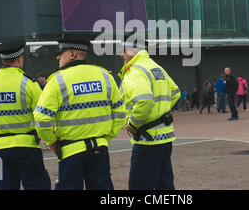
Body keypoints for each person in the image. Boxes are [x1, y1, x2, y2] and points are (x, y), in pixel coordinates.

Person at [34, 38, 125, 190]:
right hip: (99, 148)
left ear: (72, 54)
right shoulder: (105, 76)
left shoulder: (57, 80)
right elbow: (120, 113)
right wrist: (105, 137)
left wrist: (52, 143)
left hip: (71, 151)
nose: (57, 57)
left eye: (60, 53)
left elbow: (41, 117)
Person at [0, 39, 51, 190]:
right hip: (28, 146)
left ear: (2, 59)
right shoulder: (29, 84)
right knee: (37, 185)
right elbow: (41, 115)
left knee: (4, 187)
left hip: (1, 148)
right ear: (19, 58)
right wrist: (43, 137)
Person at [119, 40, 180, 190]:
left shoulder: (134, 72)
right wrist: (161, 113)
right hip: (165, 136)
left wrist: (132, 124)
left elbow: (144, 101)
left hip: (148, 139)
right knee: (164, 184)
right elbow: (175, 92)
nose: (122, 55)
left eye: (124, 51)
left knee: (139, 185)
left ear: (132, 52)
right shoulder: (156, 67)